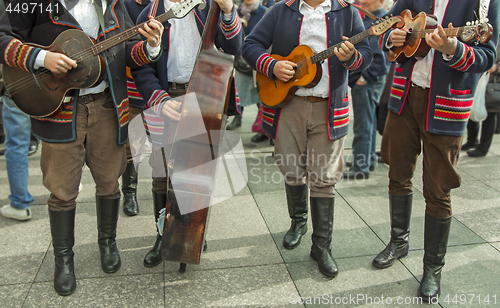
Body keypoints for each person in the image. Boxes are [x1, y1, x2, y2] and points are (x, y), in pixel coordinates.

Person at [0, 0, 163, 296]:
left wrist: (151, 46)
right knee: (61, 191)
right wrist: (40, 58)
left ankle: (108, 242)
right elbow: (2, 37)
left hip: (108, 107)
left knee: (109, 182)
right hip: (59, 110)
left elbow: (125, 50)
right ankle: (64, 260)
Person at [372, 0, 499, 301]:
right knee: (397, 175)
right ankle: (398, 241)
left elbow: (488, 54)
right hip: (404, 96)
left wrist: (453, 50)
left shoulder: (484, 2)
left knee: (438, 190)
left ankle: (433, 268)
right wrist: (393, 37)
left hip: (446, 105)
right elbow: (386, 24)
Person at [242, 0, 372, 277]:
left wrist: (351, 58)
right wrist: (271, 66)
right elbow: (250, 45)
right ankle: (298, 222)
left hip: (330, 105)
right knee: (291, 170)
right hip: (289, 105)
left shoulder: (348, 11)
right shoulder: (280, 9)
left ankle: (322, 246)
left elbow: (366, 55)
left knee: (324, 177)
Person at [131, 0, 243, 268]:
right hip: (164, 98)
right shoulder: (151, 9)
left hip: (206, 96)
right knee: (161, 173)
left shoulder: (209, 7)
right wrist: (158, 98)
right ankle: (162, 236)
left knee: (197, 174)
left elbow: (234, 50)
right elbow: (140, 64)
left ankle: (193, 231)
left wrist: (228, 11)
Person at [343, 0, 390, 180]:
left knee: (363, 125)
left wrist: (364, 78)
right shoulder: (372, 20)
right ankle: (366, 160)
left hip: (368, 80)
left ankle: (360, 165)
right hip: (367, 79)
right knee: (367, 123)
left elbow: (380, 58)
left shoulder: (380, 20)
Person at [0, 0, 34, 222]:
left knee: (17, 144)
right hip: (52, 75)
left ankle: (20, 204)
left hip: (16, 78)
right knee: (59, 133)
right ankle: (68, 185)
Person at [120, 0, 151, 216]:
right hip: (133, 82)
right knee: (133, 142)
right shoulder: (124, 4)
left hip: (162, 79)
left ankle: (169, 195)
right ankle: (129, 191)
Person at [462, 42, 500, 157]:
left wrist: (496, 67)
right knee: (471, 110)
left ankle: (484, 148)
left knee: (490, 115)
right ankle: (472, 140)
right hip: (476, 79)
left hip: (492, 83)